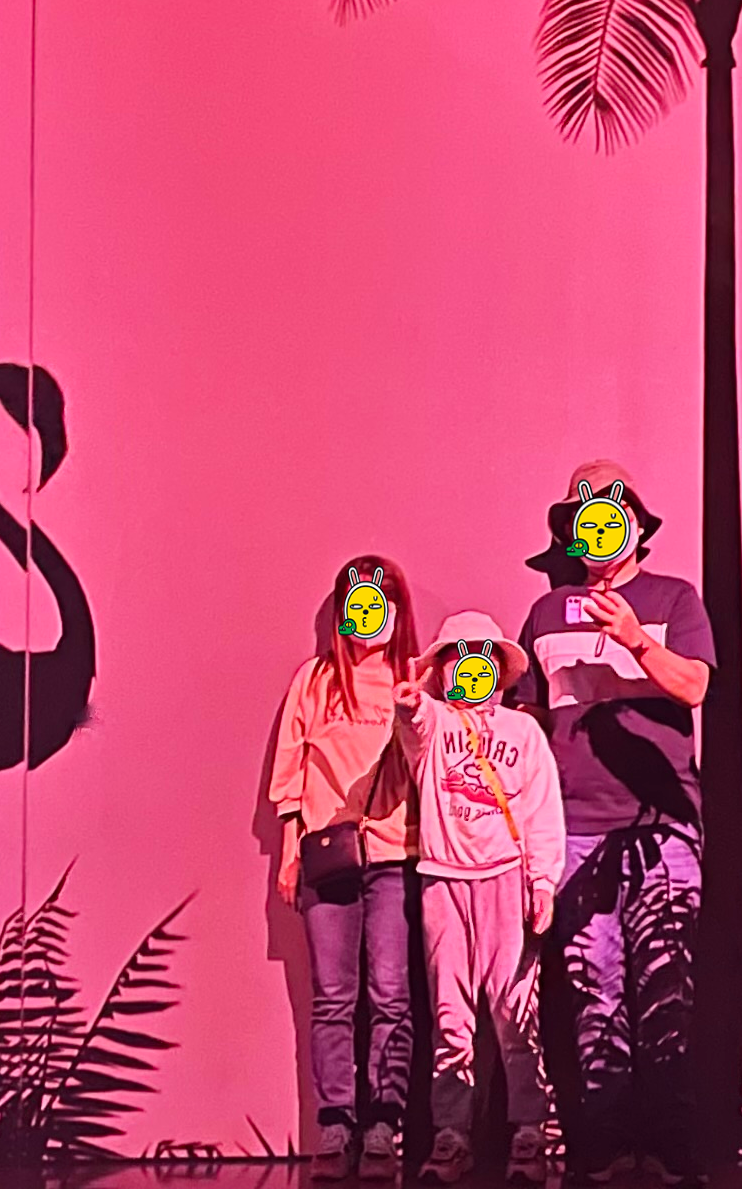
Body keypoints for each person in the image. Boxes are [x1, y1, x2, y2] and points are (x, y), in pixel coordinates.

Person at [512, 461, 714, 1186]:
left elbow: (695, 685)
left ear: (634, 521)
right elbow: (527, 718)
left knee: (665, 988)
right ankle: (604, 1151)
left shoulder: (672, 597)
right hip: (575, 831)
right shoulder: (546, 613)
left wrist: (635, 639)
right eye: (582, 513)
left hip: (662, 831)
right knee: (592, 995)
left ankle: (668, 1153)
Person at [390, 612, 564, 1185]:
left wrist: (542, 884)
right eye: (457, 657)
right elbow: (415, 727)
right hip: (443, 880)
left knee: (515, 1015)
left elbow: (542, 815)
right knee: (450, 1016)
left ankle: (530, 1131)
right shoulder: (436, 721)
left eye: (480, 656)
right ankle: (452, 1134)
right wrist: (410, 705)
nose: (470, 667)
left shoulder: (524, 732)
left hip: (506, 881)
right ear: (443, 668)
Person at [268, 556, 423, 1180]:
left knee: (391, 995)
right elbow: (291, 771)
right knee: (333, 997)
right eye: (356, 602)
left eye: (377, 603)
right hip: (327, 855)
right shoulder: (315, 679)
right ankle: (336, 1124)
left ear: (395, 611)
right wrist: (289, 853)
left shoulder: (413, 678)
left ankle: (385, 1123)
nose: (366, 615)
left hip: (394, 856)